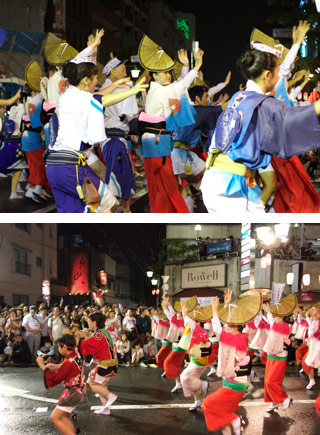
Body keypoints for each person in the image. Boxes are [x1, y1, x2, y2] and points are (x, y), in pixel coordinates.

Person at [201, 39, 320, 213]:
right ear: (267, 75)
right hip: (230, 189)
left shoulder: (238, 96)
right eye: (278, 72)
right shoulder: (260, 103)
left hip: (218, 181)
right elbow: (294, 119)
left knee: (267, 213)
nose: (280, 77)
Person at [45, 30, 148, 213]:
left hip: (54, 166)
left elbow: (94, 94)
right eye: (94, 80)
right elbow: (101, 100)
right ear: (85, 80)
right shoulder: (84, 98)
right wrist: (131, 91)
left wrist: (91, 49)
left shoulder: (68, 94)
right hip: (72, 166)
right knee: (107, 203)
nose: (96, 83)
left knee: (75, 211)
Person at [139, 46, 204, 213]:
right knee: (167, 188)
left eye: (169, 72)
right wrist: (195, 66)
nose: (168, 75)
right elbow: (180, 87)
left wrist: (185, 68)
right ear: (154, 75)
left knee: (161, 188)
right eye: (164, 72)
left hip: (157, 142)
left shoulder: (158, 89)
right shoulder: (160, 90)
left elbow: (178, 87)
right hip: (157, 142)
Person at [36, 334, 86, 435]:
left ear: (64, 347)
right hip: (77, 391)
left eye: (59, 346)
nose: (58, 348)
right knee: (64, 416)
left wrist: (42, 365)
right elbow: (71, 367)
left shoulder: (68, 362)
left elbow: (55, 378)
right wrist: (58, 366)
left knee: (54, 417)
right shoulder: (76, 355)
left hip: (71, 394)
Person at [75, 312, 118, 416]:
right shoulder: (103, 332)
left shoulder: (98, 335)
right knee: (100, 386)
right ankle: (106, 408)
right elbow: (94, 344)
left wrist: (79, 337)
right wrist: (85, 335)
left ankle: (110, 396)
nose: (89, 323)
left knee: (90, 385)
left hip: (105, 365)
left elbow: (87, 346)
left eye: (90, 321)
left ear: (94, 322)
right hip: (111, 364)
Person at [262, 297, 295, 412]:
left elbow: (272, 324)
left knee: (272, 382)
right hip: (272, 355)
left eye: (278, 316)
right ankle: (274, 402)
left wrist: (268, 312)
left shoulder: (286, 326)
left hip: (280, 357)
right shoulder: (275, 325)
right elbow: (270, 323)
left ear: (283, 317)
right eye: (275, 316)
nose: (276, 319)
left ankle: (285, 398)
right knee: (267, 382)